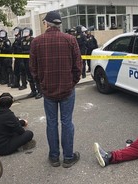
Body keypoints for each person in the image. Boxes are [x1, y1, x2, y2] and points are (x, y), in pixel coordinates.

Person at [30, 11, 82, 168]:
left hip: (48, 90)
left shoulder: (36, 42)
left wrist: (42, 84)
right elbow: (78, 66)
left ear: (46, 23)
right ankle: (68, 157)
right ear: (59, 24)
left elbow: (33, 68)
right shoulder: (70, 40)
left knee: (51, 123)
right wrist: (72, 82)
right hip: (67, 89)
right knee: (67, 122)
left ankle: (54, 157)